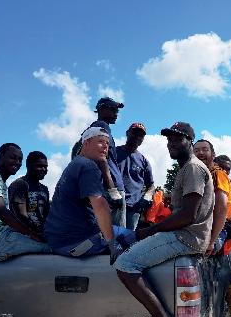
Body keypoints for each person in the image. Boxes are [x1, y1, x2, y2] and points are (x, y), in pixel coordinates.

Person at [115, 122, 214, 317]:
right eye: (169, 140)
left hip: (186, 236)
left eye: (178, 139)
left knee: (125, 263)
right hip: (185, 234)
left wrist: (150, 231)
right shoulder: (186, 168)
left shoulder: (193, 168)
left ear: (190, 142)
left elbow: (188, 215)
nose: (172, 144)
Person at [44, 127, 133, 260]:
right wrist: (112, 244)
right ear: (86, 143)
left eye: (107, 144)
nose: (105, 146)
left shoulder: (74, 164)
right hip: (74, 243)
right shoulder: (88, 166)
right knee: (136, 239)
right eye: (100, 142)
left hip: (57, 240)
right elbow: (100, 206)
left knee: (125, 232)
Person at [72, 97, 126, 227]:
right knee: (118, 234)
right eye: (112, 109)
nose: (116, 113)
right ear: (101, 109)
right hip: (109, 188)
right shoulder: (101, 126)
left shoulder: (90, 131)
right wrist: (112, 190)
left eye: (117, 111)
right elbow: (101, 158)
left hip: (100, 188)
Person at [116, 122, 155, 230]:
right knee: (110, 237)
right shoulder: (113, 153)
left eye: (141, 135)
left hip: (133, 209)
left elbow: (151, 186)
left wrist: (148, 195)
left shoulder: (144, 161)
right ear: (127, 133)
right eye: (134, 133)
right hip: (114, 205)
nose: (137, 136)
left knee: (128, 238)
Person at [8, 151, 50, 234]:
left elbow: (47, 215)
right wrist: (38, 234)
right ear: (28, 166)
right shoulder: (20, 184)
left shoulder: (44, 189)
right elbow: (21, 215)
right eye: (39, 166)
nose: (43, 169)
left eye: (45, 167)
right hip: (24, 234)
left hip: (43, 233)